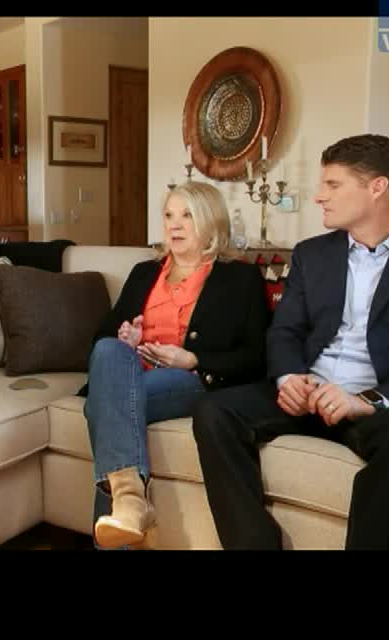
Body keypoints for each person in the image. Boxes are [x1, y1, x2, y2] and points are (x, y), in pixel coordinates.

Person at [191, 134, 389, 550]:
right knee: (214, 410)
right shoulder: (310, 254)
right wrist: (288, 378)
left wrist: (366, 400)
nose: (319, 196)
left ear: (377, 188)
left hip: (378, 404)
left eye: (333, 185)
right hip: (308, 394)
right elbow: (285, 331)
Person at [80, 181, 269, 549]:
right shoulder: (143, 272)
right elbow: (103, 336)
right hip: (132, 374)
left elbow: (256, 356)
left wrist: (193, 358)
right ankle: (130, 502)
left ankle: (125, 513)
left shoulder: (239, 278)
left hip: (190, 380)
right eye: (169, 215)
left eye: (187, 216)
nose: (174, 225)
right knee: (108, 351)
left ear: (211, 223)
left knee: (101, 405)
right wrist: (126, 338)